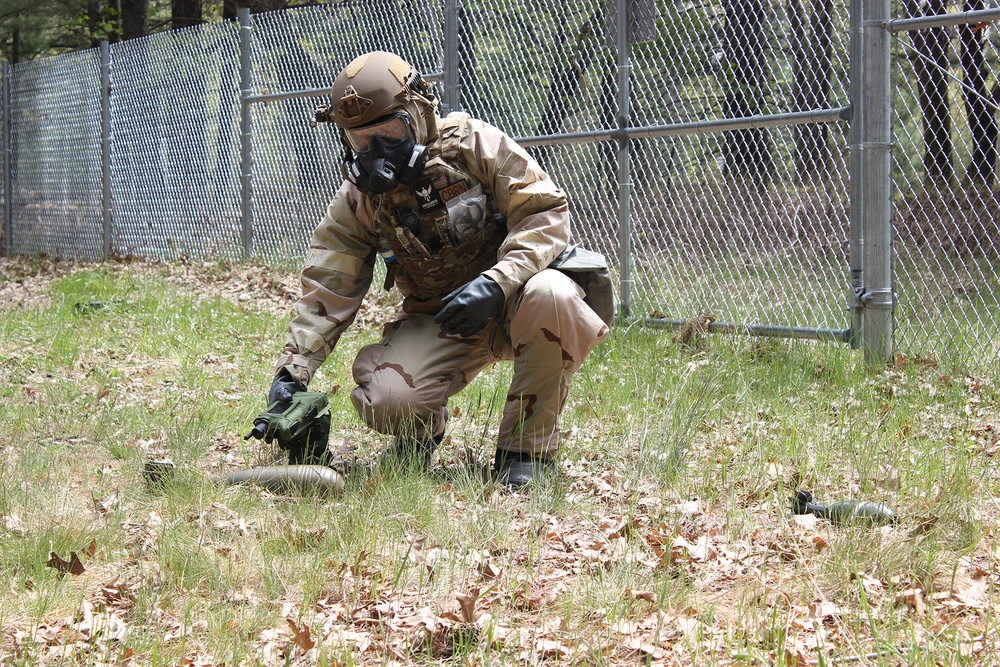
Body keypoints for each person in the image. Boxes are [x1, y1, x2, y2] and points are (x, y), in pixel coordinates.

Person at [268, 51, 613, 488]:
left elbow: (545, 214)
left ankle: (526, 454)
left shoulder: (474, 145)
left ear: (417, 114)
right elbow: (330, 280)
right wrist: (291, 372)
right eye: (361, 141)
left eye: (389, 134)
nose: (377, 154)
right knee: (386, 399)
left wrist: (497, 281)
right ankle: (420, 435)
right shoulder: (361, 198)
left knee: (554, 294)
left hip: (514, 303)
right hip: (441, 319)